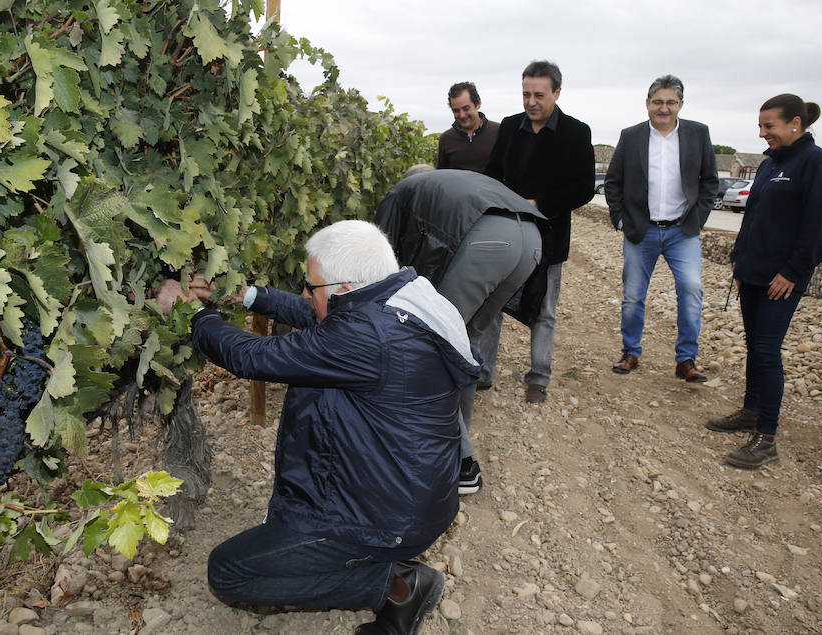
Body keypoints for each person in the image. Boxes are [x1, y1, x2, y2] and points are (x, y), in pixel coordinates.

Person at [156, 220, 480, 632]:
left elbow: (253, 357)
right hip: (404, 494)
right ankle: (367, 561)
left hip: (386, 519)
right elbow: (321, 316)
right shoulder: (401, 300)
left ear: (345, 288)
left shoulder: (369, 338)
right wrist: (248, 296)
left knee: (230, 571)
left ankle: (395, 585)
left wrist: (196, 314)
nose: (305, 293)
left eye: (312, 286)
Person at [376, 166, 543, 494]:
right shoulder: (452, 184)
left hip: (489, 244)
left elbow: (381, 253)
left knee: (435, 346)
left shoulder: (403, 190)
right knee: (465, 342)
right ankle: (458, 435)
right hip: (532, 239)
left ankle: (462, 465)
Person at [707, 94, 822, 469]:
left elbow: (817, 230)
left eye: (770, 126)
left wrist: (794, 272)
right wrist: (739, 257)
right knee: (754, 346)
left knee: (767, 351)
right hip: (752, 272)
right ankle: (750, 411)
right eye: (761, 126)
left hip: (781, 279)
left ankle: (766, 438)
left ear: (795, 123)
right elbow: (756, 217)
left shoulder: (817, 164)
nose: (763, 133)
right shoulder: (768, 164)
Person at [484, 60, 595, 403]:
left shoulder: (577, 132)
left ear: (557, 93)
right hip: (507, 232)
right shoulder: (509, 127)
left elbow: (585, 188)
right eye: (525, 94)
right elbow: (493, 175)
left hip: (550, 235)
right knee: (491, 303)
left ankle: (538, 378)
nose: (531, 101)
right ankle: (482, 371)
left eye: (539, 95)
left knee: (545, 309)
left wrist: (539, 203)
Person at [605, 74, 719, 382]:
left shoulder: (698, 134)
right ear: (647, 104)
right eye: (658, 102)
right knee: (632, 295)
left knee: (692, 289)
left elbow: (710, 182)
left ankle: (686, 360)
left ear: (680, 104)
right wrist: (619, 218)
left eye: (670, 102)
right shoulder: (631, 136)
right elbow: (613, 181)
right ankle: (630, 352)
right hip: (641, 231)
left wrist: (698, 217)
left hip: (683, 232)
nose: (664, 109)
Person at [436, 81, 500, 172]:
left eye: (466, 109)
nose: (462, 115)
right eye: (456, 111)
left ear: (478, 104)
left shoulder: (499, 132)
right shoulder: (446, 139)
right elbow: (442, 177)